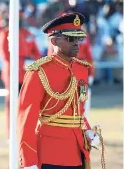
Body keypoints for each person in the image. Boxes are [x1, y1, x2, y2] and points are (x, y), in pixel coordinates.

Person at [17, 13, 101, 169]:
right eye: (70, 39)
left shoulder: (81, 69)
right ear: (54, 41)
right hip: (51, 153)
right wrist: (28, 161)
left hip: (78, 151)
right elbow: (26, 119)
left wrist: (87, 131)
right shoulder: (39, 71)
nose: (77, 43)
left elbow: (78, 111)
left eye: (78, 38)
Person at [0, 12, 41, 138]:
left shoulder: (28, 34)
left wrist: (32, 62)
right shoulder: (5, 34)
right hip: (12, 74)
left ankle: (25, 130)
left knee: (28, 104)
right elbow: (4, 55)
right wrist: (21, 62)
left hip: (27, 74)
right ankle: (11, 132)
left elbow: (36, 53)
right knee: (11, 104)